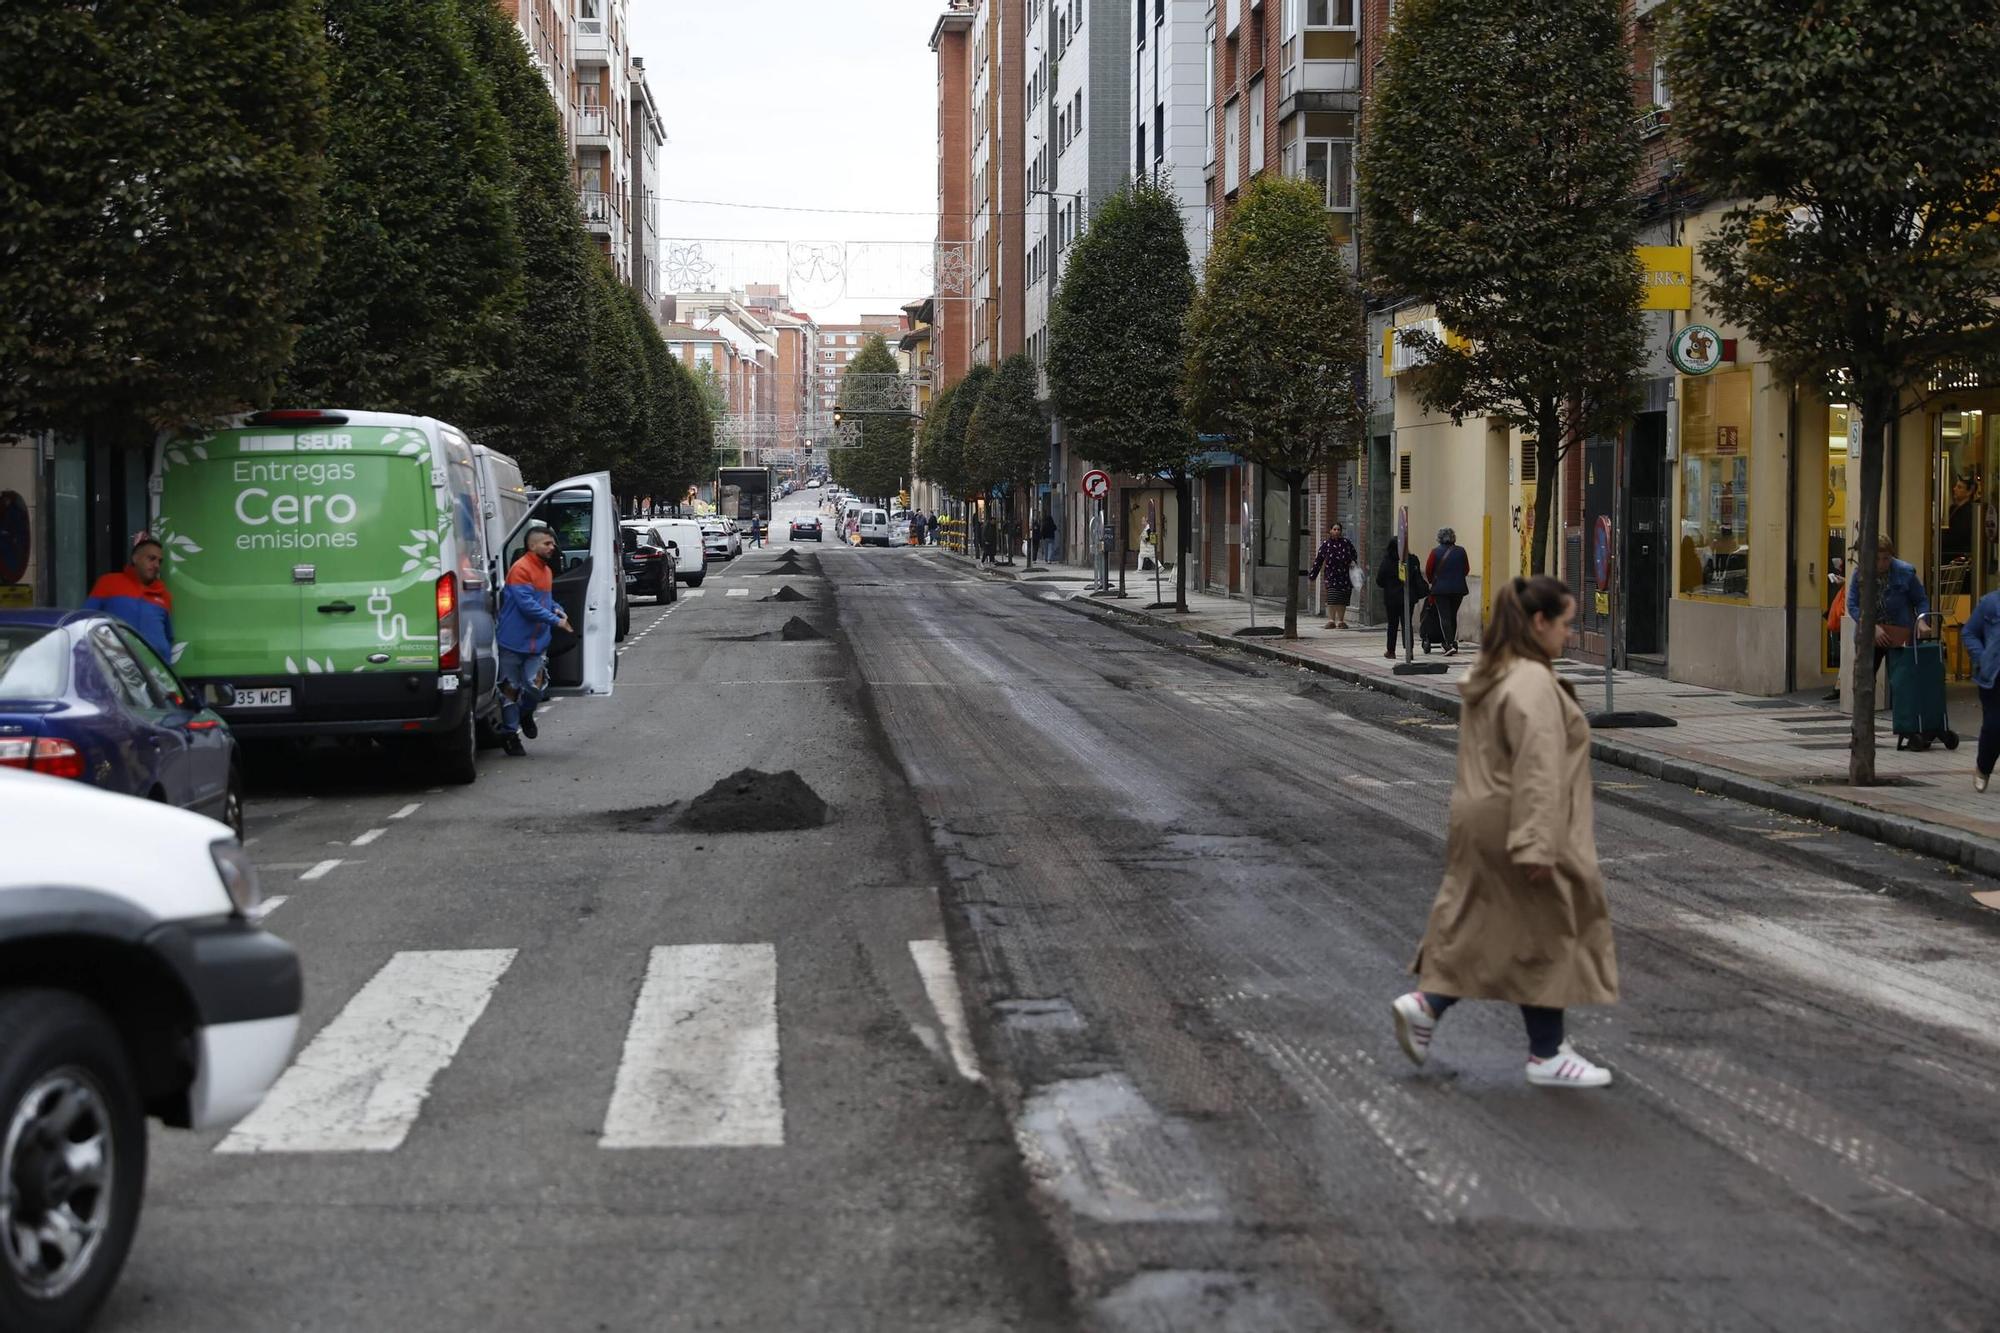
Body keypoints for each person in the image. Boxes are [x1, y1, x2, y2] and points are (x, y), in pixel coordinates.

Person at [1391, 576, 1619, 1088]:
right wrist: (1539, 843)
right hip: (1520, 821)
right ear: (1539, 623)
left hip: (1482, 818)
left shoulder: (1494, 671)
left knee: (1491, 926)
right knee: (1548, 932)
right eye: (1565, 623)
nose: (1568, 633)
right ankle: (1547, 1054)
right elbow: (1539, 767)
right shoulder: (1534, 683)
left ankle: (1430, 1008)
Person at [495, 524, 571, 757]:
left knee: (535, 686)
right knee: (510, 690)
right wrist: (556, 621)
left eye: (553, 543)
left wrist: (557, 609)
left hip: (537, 643)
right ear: (532, 546)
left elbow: (545, 601)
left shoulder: (546, 571)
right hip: (512, 641)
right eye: (547, 544)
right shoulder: (520, 569)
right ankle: (510, 734)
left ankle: (525, 713)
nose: (552, 547)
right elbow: (527, 606)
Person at [1846, 533, 1929, 698]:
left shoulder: (1905, 572)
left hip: (1899, 632)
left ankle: (1904, 719)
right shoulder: (1860, 573)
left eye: (1886, 558)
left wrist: (1922, 621)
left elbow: (1921, 599)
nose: (1882, 563)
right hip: (1871, 633)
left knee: (1902, 681)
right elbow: (1852, 604)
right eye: (1877, 559)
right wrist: (1872, 627)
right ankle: (1864, 718)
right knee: (1864, 680)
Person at [85, 532, 174, 660]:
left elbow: (168, 636)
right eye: (151, 558)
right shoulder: (108, 583)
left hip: (155, 671)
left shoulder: (164, 595)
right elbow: (85, 621)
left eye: (159, 561)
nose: (156, 565)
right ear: (135, 558)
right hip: (117, 666)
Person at [1962, 587, 2000, 794]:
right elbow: (1969, 632)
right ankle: (1983, 767)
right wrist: (1981, 656)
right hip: (1994, 675)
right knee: (1994, 726)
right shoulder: (1990, 602)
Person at [1376, 538, 1428, 660]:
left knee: (1392, 624)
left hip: (1391, 598)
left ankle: (1391, 650)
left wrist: (1389, 586)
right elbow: (1417, 578)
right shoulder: (1412, 560)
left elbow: (1379, 580)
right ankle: (1409, 650)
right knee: (1407, 623)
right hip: (1408, 597)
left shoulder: (1387, 561)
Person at [1424, 527, 1472, 655]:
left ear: (1439, 538)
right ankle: (1451, 641)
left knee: (1444, 616)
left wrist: (1432, 581)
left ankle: (1448, 643)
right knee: (1452, 615)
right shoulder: (1461, 551)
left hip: (1440, 589)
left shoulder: (1435, 552)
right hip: (1458, 589)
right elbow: (1466, 569)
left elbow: (1428, 570)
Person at [1308, 522, 1359, 630]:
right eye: (1334, 529)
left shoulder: (1346, 543)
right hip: (1331, 574)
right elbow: (1319, 560)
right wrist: (1313, 575)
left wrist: (1352, 562)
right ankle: (1331, 620)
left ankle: (1341, 620)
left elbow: (1354, 555)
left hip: (1344, 575)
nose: (1336, 531)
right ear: (1330, 531)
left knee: (1342, 598)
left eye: (1338, 529)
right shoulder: (1326, 544)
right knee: (1332, 596)